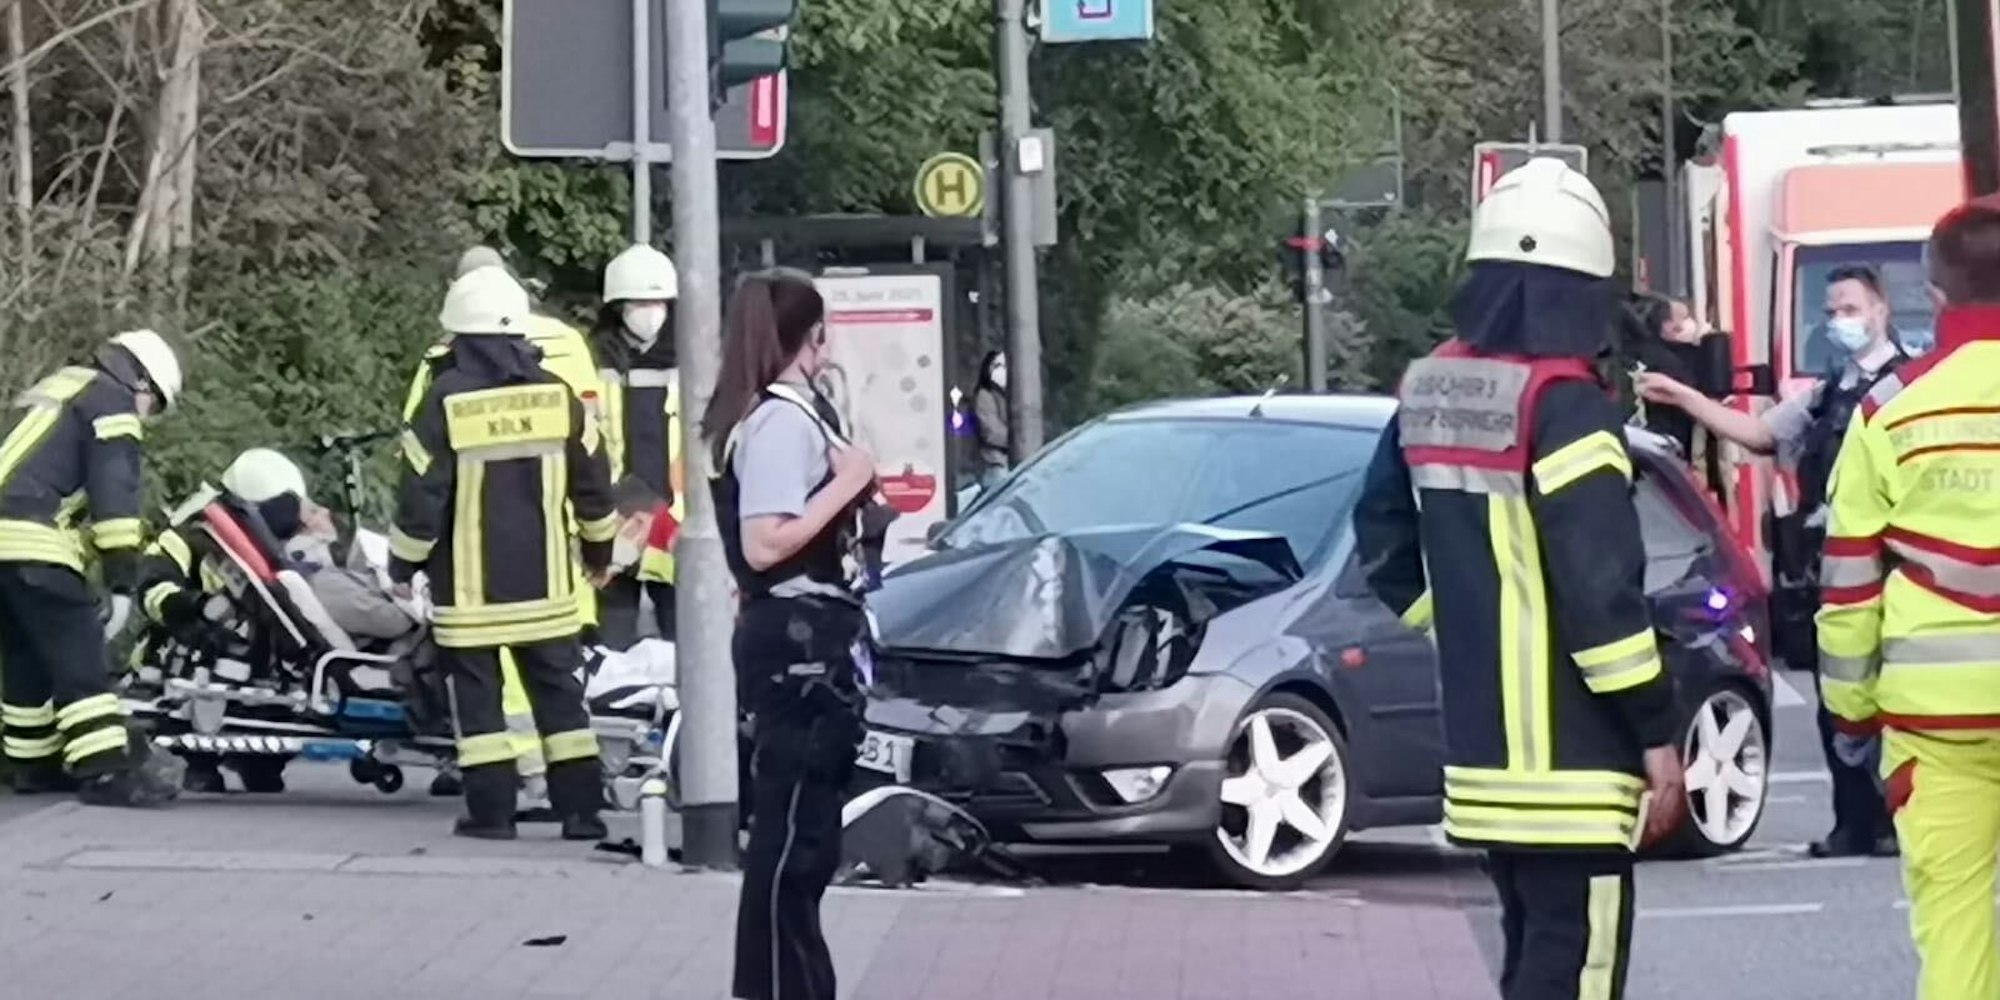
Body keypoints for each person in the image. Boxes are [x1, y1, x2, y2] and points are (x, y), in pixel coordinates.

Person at [1354, 158, 1686, 1000]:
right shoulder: (1567, 405)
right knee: (1579, 974)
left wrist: (1462, 623)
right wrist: (1656, 730)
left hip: (1484, 759)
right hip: (1576, 763)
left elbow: (1382, 537)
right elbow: (1601, 596)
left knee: (1531, 961)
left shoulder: (1430, 388)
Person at [1637, 263, 1905, 859]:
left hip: (1888, 563)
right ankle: (1854, 822)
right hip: (1831, 568)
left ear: (1881, 310)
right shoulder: (1831, 391)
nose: (1838, 321)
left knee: (1891, 694)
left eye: (1850, 309)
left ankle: (1892, 818)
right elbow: (1759, 434)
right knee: (1839, 695)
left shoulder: (1907, 387)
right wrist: (1685, 397)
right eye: (1831, 312)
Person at [1818, 199, 2000, 1000]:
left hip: (1938, 723)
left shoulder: (1889, 409)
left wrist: (1852, 714)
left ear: (1936, 295)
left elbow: (1849, 585)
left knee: (1954, 937)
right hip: (1939, 722)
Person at [388, 265, 619, 841]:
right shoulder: (559, 397)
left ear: (459, 336)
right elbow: (594, 486)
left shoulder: (443, 400)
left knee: (481, 710)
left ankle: (492, 816)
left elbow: (421, 495)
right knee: (563, 704)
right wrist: (599, 553)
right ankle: (582, 814)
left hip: (470, 596)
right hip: (548, 590)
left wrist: (403, 564)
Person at [704, 270, 876, 1000]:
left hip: (797, 636)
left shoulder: (768, 412)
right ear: (813, 336)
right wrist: (850, 482)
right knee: (795, 841)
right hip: (802, 642)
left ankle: (787, 986)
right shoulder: (780, 420)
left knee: (800, 838)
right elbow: (766, 540)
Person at [139, 446, 421, 794]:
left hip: (263, 652)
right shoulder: (188, 537)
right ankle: (201, 763)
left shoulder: (267, 540)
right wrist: (192, 609)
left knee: (267, 683)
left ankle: (257, 762)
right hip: (189, 642)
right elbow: (154, 585)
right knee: (227, 661)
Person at [0, 329, 188, 806]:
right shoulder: (111, 404)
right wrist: (122, 578)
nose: (147, 416)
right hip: (31, 539)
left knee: (24, 657)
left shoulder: (57, 388)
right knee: (80, 655)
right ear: (141, 382)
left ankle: (30, 764)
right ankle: (104, 769)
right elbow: (114, 495)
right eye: (154, 404)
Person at [588, 242, 682, 650]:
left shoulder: (691, 361)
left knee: (686, 644)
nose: (649, 311)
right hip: (616, 518)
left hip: (675, 522)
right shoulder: (593, 362)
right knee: (611, 642)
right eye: (639, 302)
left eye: (656, 302)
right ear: (617, 307)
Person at [972, 350, 1009, 489]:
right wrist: (1016, 439)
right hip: (995, 465)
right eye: (996, 365)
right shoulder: (984, 395)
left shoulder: (1004, 395)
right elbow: (991, 432)